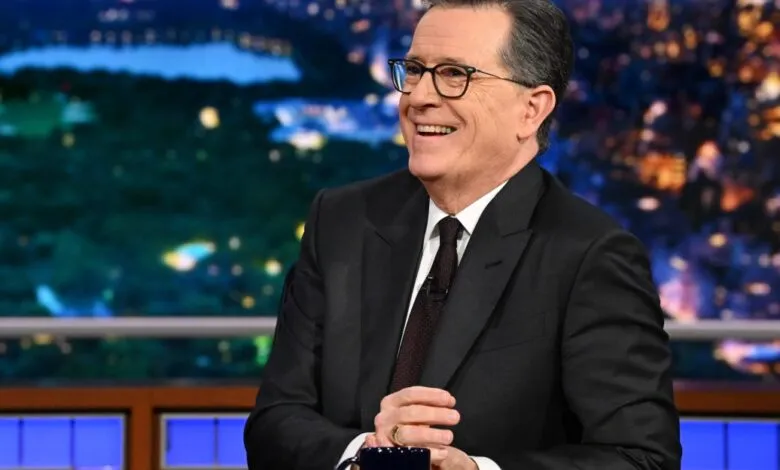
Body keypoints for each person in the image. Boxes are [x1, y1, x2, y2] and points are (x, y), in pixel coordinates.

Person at [244, 0, 682, 469]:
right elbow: (274, 422)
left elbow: (640, 458)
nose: (419, 98)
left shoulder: (590, 255)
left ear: (531, 109)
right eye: (414, 70)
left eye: (455, 74)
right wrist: (364, 457)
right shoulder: (342, 220)